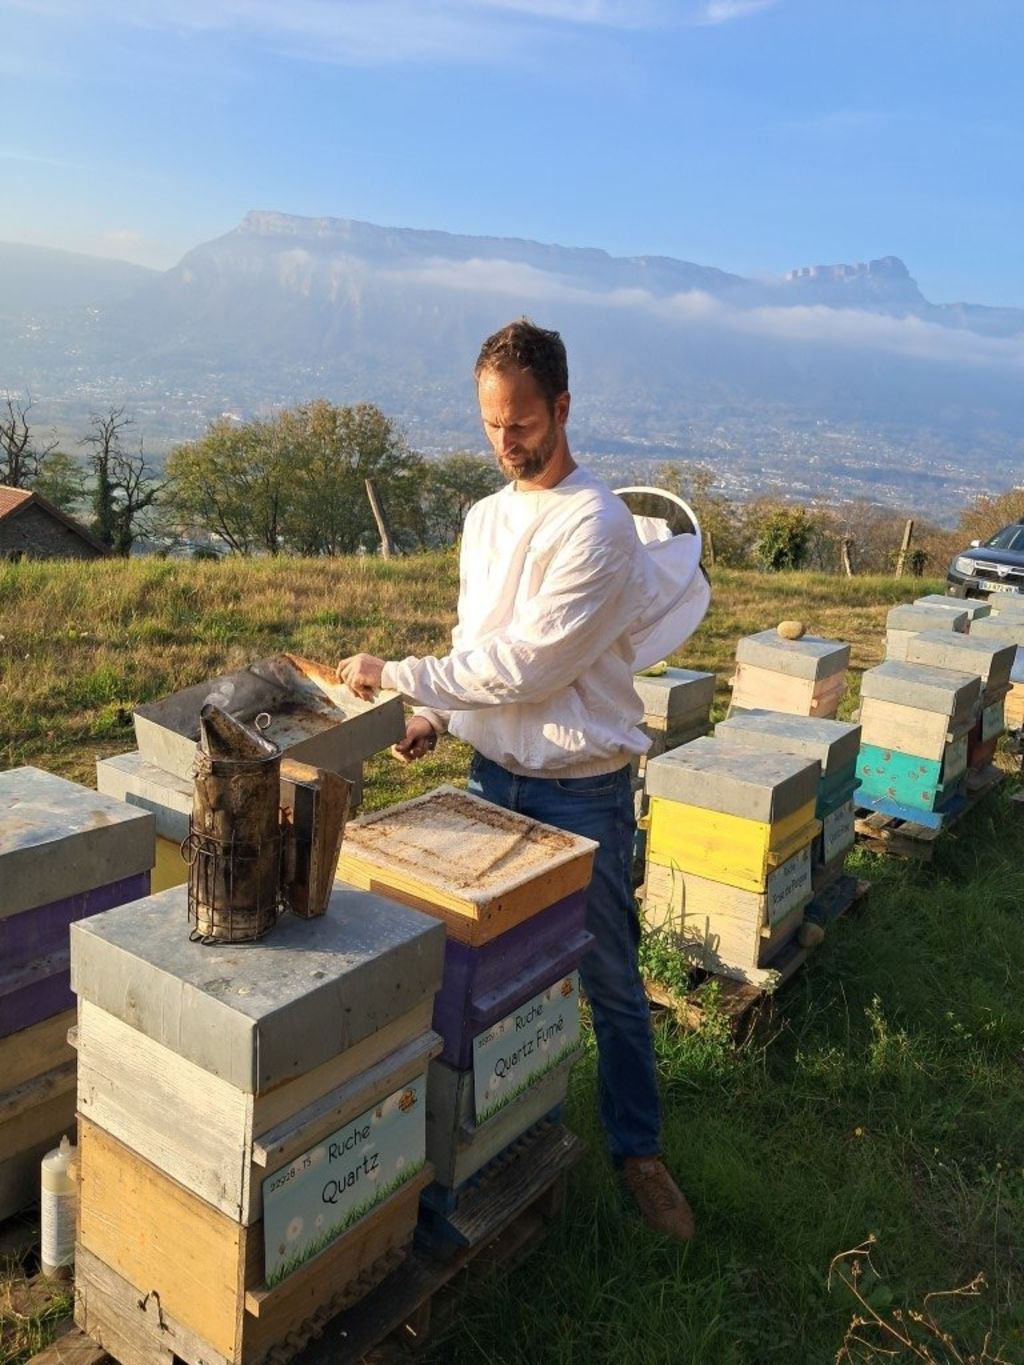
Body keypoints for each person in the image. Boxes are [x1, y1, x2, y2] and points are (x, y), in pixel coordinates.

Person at [338, 319, 696, 1241]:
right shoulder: (484, 519)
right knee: (487, 979)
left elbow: (530, 666)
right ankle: (497, 1139)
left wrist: (398, 674)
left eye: (523, 423)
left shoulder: (597, 524)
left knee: (609, 975)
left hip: (580, 789)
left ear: (563, 407)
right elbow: (477, 648)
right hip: (491, 780)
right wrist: (433, 715)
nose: (506, 442)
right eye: (492, 424)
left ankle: (639, 1152)